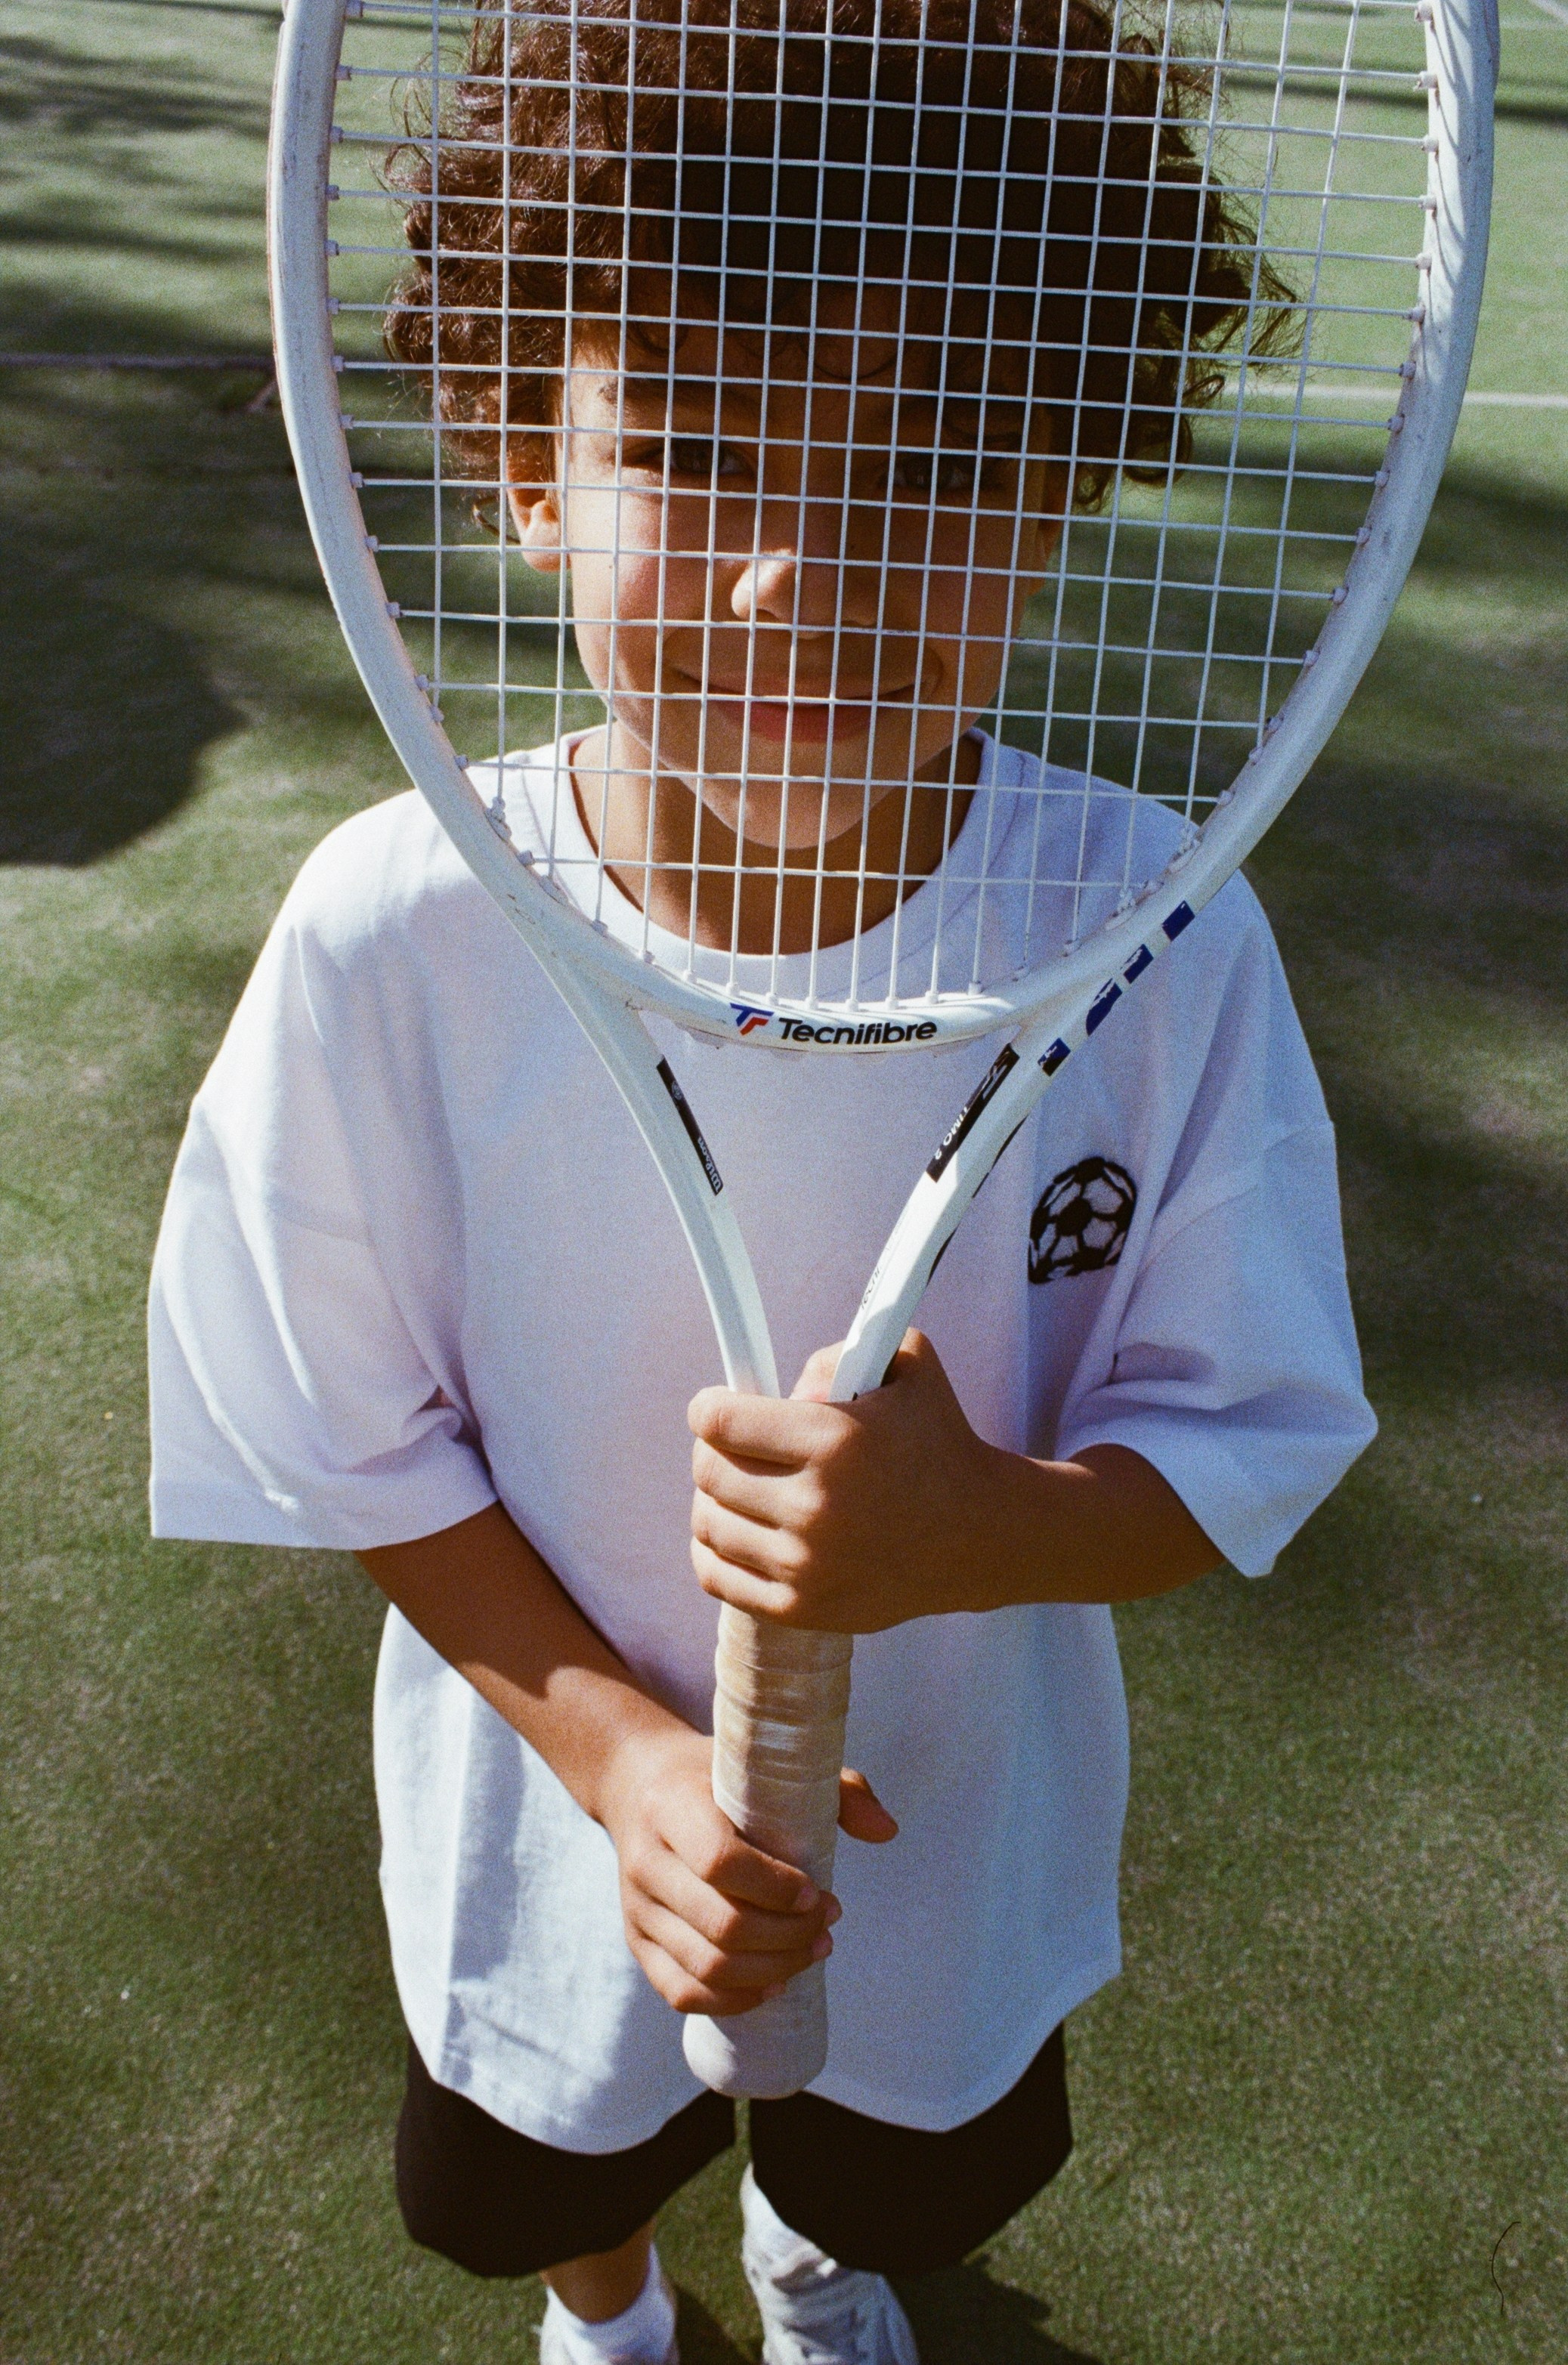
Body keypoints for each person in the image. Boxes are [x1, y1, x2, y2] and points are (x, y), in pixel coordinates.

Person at [149, 2, 1372, 2360]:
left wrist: (969, 1536)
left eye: (931, 463)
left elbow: (1239, 1442)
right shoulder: (396, 930)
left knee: (894, 2153)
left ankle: (817, 2269)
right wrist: (610, 1759)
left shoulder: (1159, 938)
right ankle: (605, 2312)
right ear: (522, 458)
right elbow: (337, 1433)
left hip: (959, 1863)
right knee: (531, 2177)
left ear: (1065, 470)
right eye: (691, 451)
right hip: (540, 1838)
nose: (795, 583)